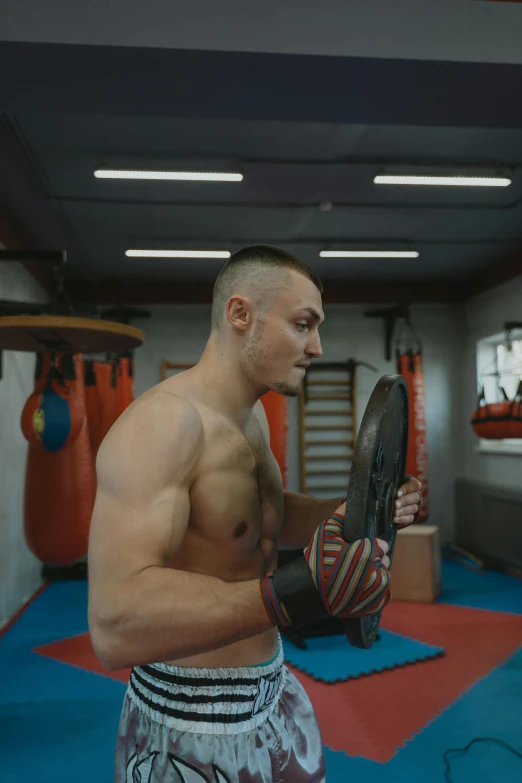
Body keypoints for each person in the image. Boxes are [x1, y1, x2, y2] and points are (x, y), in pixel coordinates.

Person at [88, 245, 423, 783]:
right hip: (190, 717)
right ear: (240, 314)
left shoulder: (250, 420)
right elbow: (113, 625)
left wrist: (364, 511)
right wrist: (298, 591)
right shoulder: (163, 426)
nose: (317, 346)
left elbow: (265, 518)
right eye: (302, 324)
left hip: (270, 688)